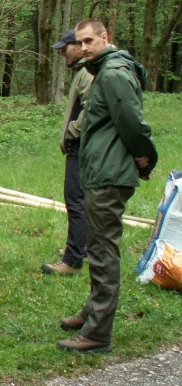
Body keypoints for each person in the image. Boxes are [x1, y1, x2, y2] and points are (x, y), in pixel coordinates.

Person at [57, 18, 157, 353]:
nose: (83, 48)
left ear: (105, 37)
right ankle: (91, 313)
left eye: (89, 41)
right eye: (80, 42)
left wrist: (145, 158)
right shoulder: (103, 70)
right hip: (101, 171)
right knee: (98, 249)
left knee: (102, 253)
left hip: (108, 175)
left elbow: (132, 122)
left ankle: (98, 332)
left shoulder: (112, 74)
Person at [41, 29, 93, 275]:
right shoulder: (83, 71)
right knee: (80, 201)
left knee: (76, 200)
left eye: (65, 48)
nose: (62, 53)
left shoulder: (89, 72)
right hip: (80, 146)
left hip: (82, 146)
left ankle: (73, 261)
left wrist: (73, 131)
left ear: (79, 46)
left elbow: (92, 109)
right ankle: (78, 248)